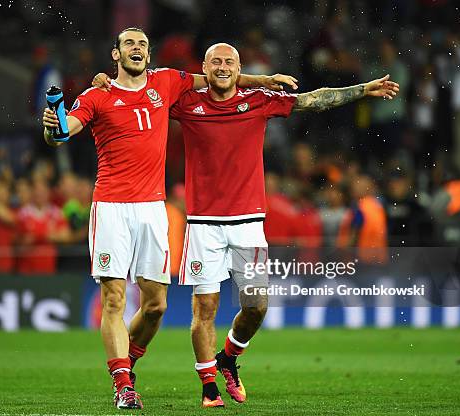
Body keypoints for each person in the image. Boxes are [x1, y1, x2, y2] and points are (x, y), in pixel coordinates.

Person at [43, 28, 293, 410]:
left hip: (152, 209)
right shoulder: (97, 95)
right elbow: (64, 131)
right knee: (114, 300)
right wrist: (52, 127)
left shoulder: (166, 81)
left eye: (143, 43)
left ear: (149, 52)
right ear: (116, 54)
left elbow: (217, 77)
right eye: (129, 43)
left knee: (157, 305)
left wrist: (264, 80)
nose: (137, 49)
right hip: (110, 206)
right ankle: (123, 383)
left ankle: (128, 363)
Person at [168, 43, 399, 407]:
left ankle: (228, 358)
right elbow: (142, 94)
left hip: (247, 222)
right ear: (205, 67)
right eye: (216, 61)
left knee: (257, 305)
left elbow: (313, 100)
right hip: (203, 224)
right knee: (204, 310)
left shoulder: (258, 101)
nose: (223, 67)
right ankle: (208, 385)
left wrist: (361, 90)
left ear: (239, 67)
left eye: (229, 61)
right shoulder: (185, 104)